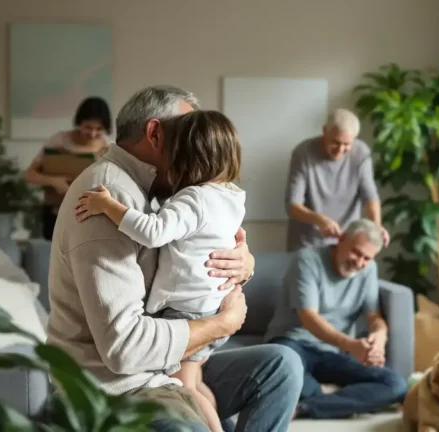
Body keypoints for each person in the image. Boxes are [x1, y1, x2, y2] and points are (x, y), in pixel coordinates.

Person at [46, 86, 303, 432]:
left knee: (282, 365)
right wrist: (222, 324)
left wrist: (242, 265)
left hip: (163, 365)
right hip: (118, 386)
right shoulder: (107, 197)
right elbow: (124, 350)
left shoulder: (161, 190)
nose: (198, 150)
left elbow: (196, 244)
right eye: (189, 135)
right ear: (155, 134)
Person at [73, 110, 245, 432]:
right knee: (194, 384)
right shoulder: (233, 197)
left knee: (188, 390)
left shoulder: (195, 198)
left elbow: (153, 231)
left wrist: (108, 206)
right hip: (212, 303)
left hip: (185, 312)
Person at [265, 218, 408, 419]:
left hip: (334, 354)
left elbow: (374, 316)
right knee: (286, 378)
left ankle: (306, 406)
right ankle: (334, 399)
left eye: (367, 258)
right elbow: (309, 318)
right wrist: (350, 345)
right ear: (341, 239)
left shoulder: (368, 269)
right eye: (356, 252)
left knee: (396, 384)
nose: (359, 263)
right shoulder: (307, 260)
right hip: (292, 344)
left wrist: (379, 338)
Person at [285, 108, 389, 251]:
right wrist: (319, 220)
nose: (340, 150)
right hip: (307, 243)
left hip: (346, 241)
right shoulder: (303, 153)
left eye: (347, 145)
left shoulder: (361, 153)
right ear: (324, 131)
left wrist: (376, 226)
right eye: (335, 142)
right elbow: (292, 206)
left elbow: (369, 196)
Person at [25, 96, 113, 240]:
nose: (92, 133)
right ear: (79, 122)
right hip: (56, 212)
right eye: (88, 127)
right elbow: (29, 175)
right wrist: (55, 181)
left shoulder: (109, 147)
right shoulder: (59, 141)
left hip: (91, 216)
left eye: (98, 129)